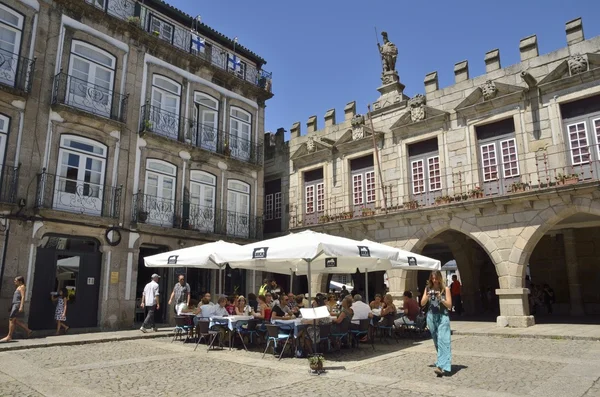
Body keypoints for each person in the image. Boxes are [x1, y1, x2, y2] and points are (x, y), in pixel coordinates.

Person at [421, 270, 452, 377]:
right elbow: (422, 303)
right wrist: (428, 296)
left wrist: (441, 298)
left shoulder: (445, 289)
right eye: (432, 279)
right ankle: (443, 361)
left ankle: (441, 366)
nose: (434, 281)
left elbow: (449, 305)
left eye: (436, 278)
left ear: (440, 278)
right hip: (431, 317)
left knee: (443, 340)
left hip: (443, 316)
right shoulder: (427, 289)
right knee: (436, 341)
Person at [1, 276, 33, 342]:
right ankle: (28, 330)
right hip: (14, 304)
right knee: (14, 320)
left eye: (16, 280)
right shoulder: (18, 287)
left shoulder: (22, 287)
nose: (14, 281)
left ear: (20, 281)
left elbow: (23, 297)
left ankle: (9, 336)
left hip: (17, 305)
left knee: (11, 319)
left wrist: (21, 306)